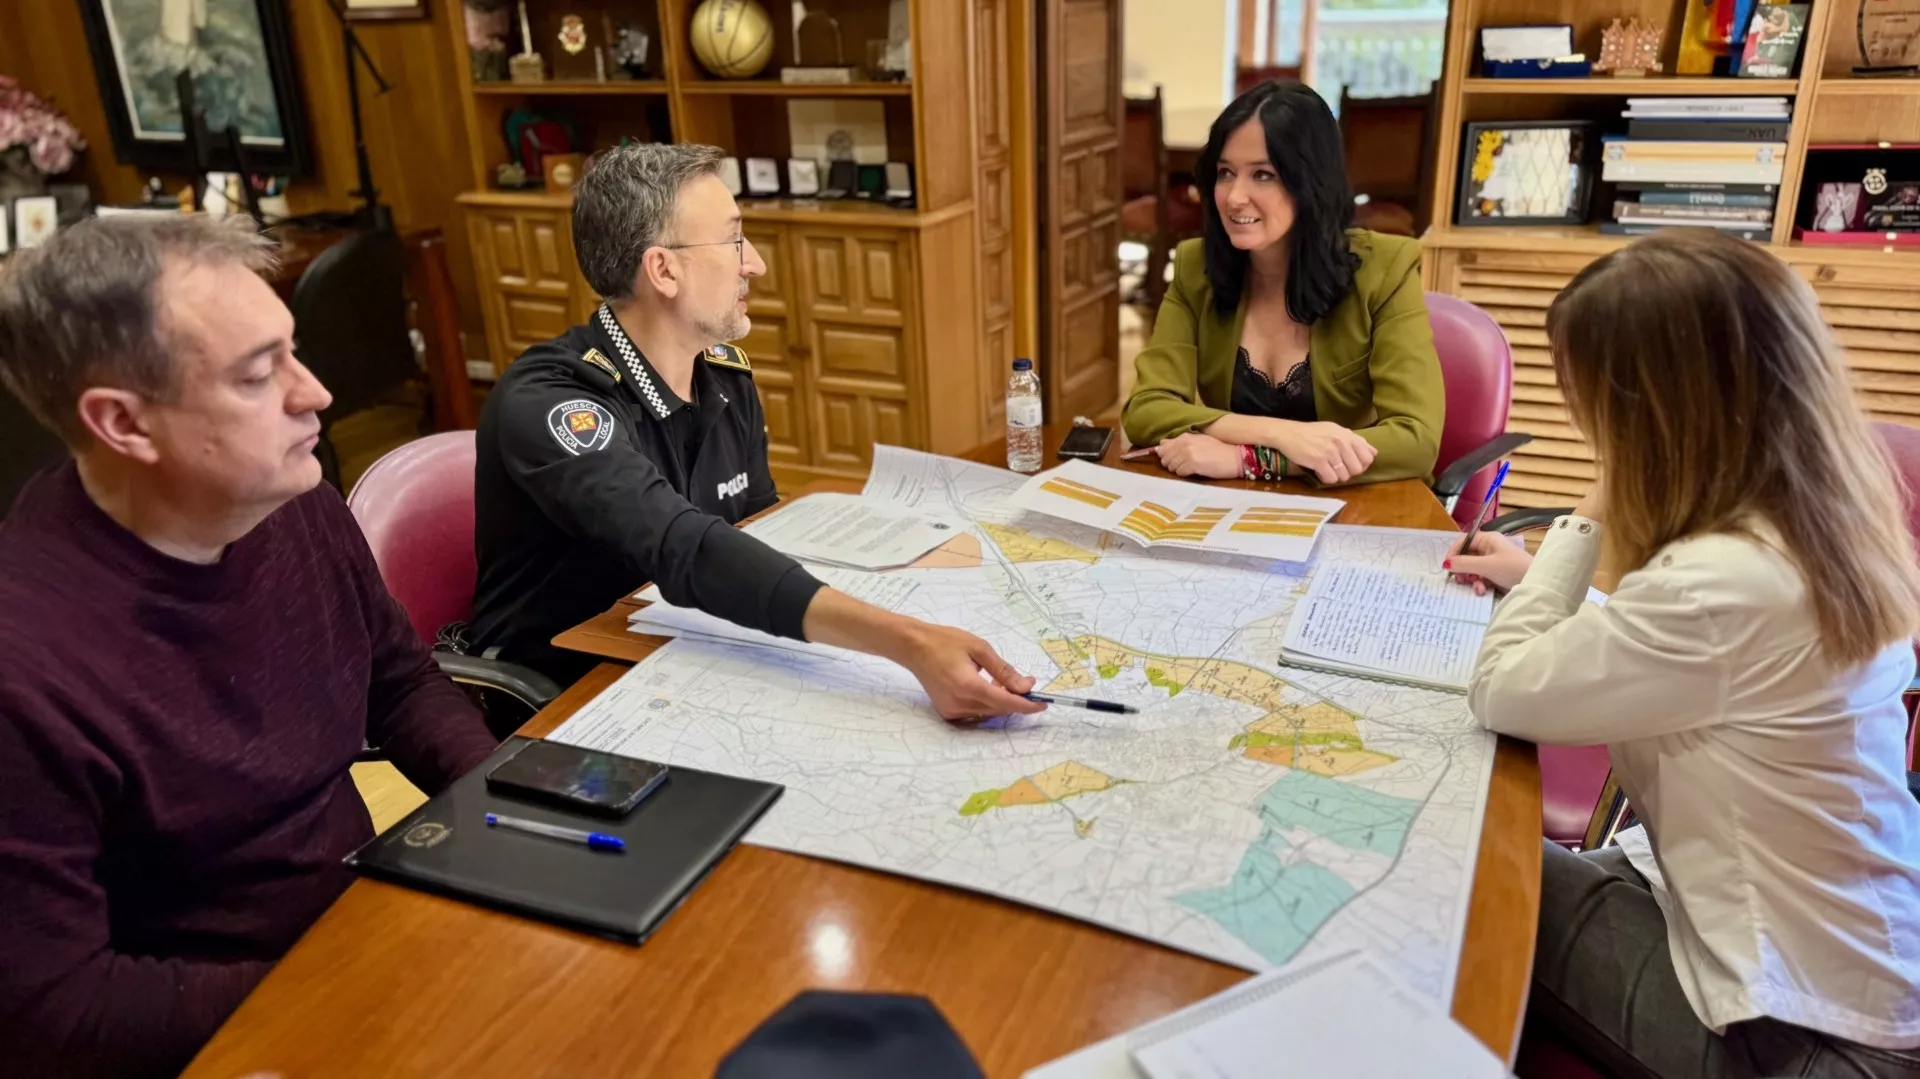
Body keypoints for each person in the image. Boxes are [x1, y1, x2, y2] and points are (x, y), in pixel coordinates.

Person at [0, 216, 500, 1078]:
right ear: (123, 422)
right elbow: (59, 1012)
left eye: (291, 352)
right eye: (259, 374)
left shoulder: (287, 496)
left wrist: (508, 802)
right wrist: (350, 978)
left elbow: (400, 681)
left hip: (357, 937)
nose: (316, 394)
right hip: (224, 1031)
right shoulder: (27, 671)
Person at [1449, 229, 1920, 1077]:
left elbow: (1501, 687)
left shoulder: (1719, 584)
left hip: (1796, 1028)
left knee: (1462, 882)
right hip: (1856, 953)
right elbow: (1713, 665)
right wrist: (1547, 579)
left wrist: (1581, 522)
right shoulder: (1821, 520)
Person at [468, 143, 1043, 721]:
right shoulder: (553, 401)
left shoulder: (722, 376)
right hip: (566, 695)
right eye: (735, 240)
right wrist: (909, 642)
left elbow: (761, 530)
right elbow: (681, 547)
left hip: (685, 657)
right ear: (663, 270)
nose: (756, 264)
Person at [1122, 80, 1443, 487]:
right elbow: (1146, 410)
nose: (1234, 197)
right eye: (1225, 173)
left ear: (1310, 181)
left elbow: (1416, 440)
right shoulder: (1195, 266)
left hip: (1351, 503)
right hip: (1234, 506)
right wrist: (1280, 434)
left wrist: (1251, 459)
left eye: (1263, 174)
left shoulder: (1386, 269)